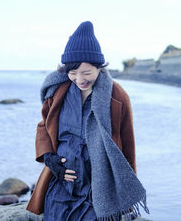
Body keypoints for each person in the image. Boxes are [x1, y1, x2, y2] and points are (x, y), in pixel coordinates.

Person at [26, 21, 148, 220]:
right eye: (73, 73)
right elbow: (43, 126)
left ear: (99, 67)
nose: (79, 79)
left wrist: (125, 191)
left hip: (98, 189)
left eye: (86, 73)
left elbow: (127, 145)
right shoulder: (57, 92)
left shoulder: (117, 97)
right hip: (60, 186)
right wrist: (49, 159)